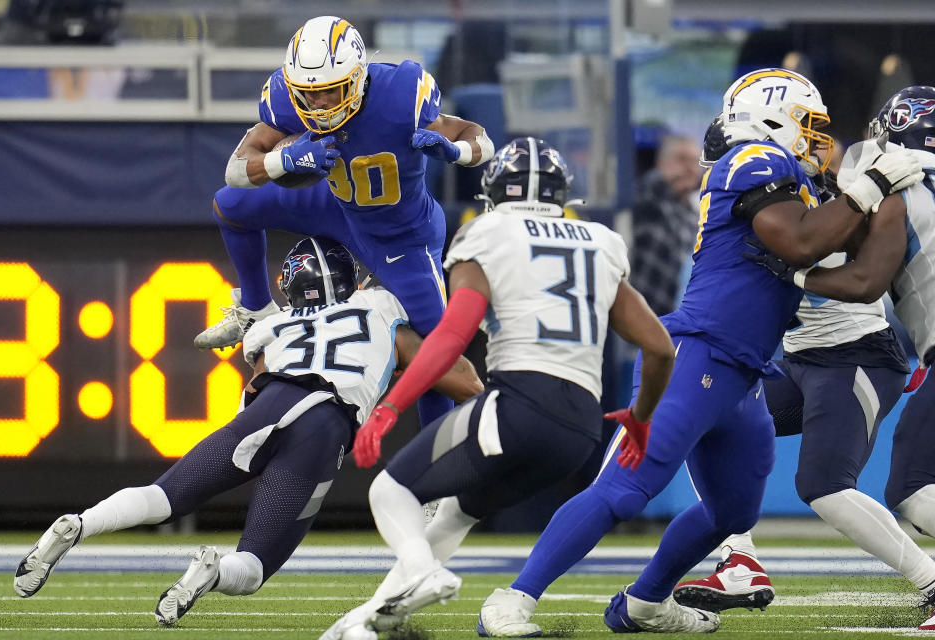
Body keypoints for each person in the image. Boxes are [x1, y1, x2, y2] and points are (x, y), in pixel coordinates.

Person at [473, 67, 925, 636]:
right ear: (771, 120)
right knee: (625, 490)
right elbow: (802, 240)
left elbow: (848, 255)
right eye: (807, 125)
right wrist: (871, 184)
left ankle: (645, 603)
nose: (816, 139)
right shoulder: (754, 159)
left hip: (746, 374)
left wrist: (884, 197)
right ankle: (514, 598)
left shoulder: (795, 180)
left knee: (733, 513)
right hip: (698, 353)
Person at [12, 236, 483, 627]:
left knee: (165, 496)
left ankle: (81, 523)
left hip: (267, 405)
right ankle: (209, 573)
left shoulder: (272, 327)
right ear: (351, 279)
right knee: (255, 566)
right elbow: (463, 382)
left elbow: (258, 384)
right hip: (325, 424)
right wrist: (400, 367)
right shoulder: (380, 306)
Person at [319, 137, 677, 640]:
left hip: (519, 405)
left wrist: (392, 406)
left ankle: (422, 574)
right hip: (578, 431)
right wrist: (639, 418)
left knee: (391, 489)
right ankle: (359, 626)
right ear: (562, 195)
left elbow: (450, 335)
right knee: (456, 514)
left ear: (493, 193)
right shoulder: (599, 241)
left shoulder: (486, 232)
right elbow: (660, 348)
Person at [673, 115, 935, 624]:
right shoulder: (779, 198)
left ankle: (931, 580)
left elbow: (829, 256)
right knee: (705, 427)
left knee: (826, 486)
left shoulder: (829, 196)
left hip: (856, 356)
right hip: (799, 361)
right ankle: (739, 560)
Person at [193, 15, 494, 427]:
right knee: (231, 206)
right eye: (308, 94)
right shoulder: (284, 98)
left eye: (329, 92)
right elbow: (236, 169)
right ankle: (256, 309)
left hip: (399, 233)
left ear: (357, 78)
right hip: (334, 200)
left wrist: (457, 152)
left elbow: (480, 137)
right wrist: (286, 159)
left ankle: (434, 468)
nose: (318, 105)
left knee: (437, 361)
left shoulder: (401, 94)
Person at [630, 135, 703, 316]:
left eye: (695, 162)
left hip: (673, 319)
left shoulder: (693, 213)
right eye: (681, 159)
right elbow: (649, 186)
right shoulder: (649, 196)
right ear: (661, 163)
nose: (689, 168)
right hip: (639, 316)